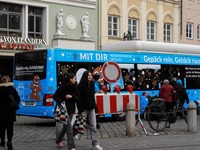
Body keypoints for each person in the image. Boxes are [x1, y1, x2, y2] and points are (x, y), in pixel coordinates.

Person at [53, 73, 84, 150]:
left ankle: (58, 139)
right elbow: (55, 96)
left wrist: (72, 97)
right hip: (64, 111)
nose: (75, 80)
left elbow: (78, 99)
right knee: (69, 128)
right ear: (70, 79)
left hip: (70, 110)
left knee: (66, 127)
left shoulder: (75, 88)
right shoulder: (62, 87)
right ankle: (71, 146)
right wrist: (62, 101)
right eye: (74, 78)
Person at [78, 71, 103, 150]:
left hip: (91, 108)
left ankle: (95, 144)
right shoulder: (81, 86)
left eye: (90, 75)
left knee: (93, 126)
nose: (90, 76)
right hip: (84, 109)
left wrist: (95, 108)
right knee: (79, 126)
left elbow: (92, 97)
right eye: (88, 75)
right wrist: (80, 109)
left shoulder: (92, 85)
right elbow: (79, 99)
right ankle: (70, 138)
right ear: (85, 76)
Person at [0, 75, 20, 150]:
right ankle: (9, 142)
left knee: (1, 128)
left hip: (1, 112)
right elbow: (17, 99)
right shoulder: (12, 89)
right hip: (10, 112)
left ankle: (2, 142)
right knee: (10, 127)